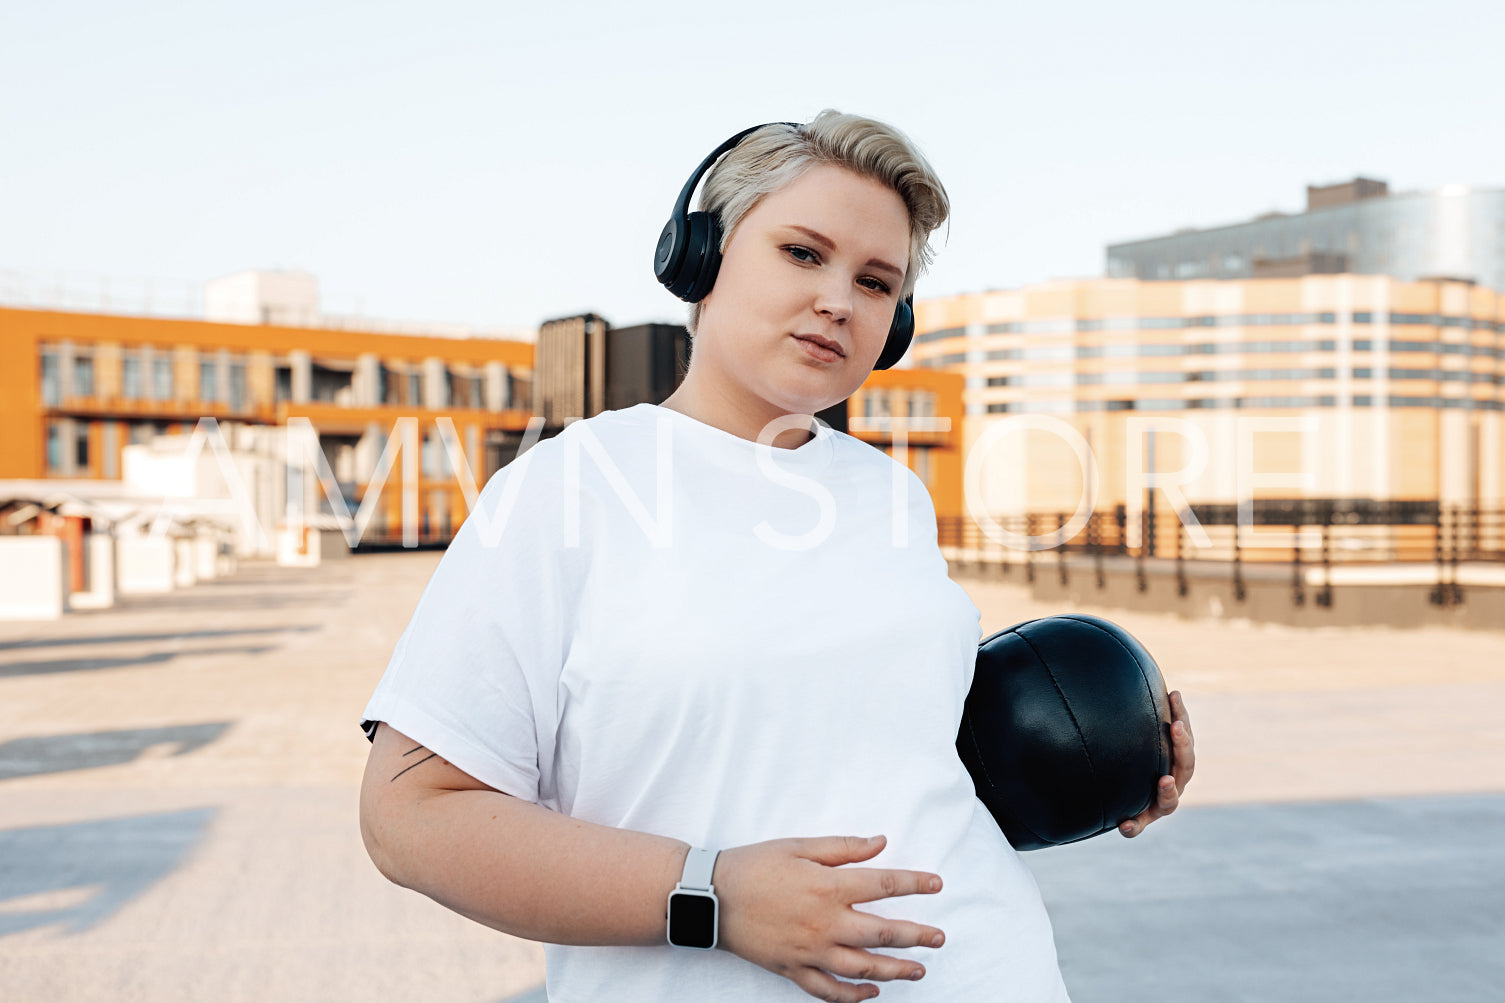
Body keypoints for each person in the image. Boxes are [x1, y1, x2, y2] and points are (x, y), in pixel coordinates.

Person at [357, 110, 1196, 1002]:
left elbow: (882, 764)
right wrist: (708, 893)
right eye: (803, 253)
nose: (839, 298)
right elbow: (409, 818)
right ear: (701, 255)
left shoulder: (891, 496)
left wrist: (1095, 762)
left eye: (876, 282)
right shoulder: (570, 487)